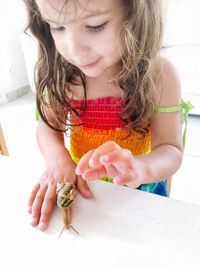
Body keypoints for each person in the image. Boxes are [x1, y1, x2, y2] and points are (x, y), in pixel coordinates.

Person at [24, 0, 183, 231]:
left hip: (140, 195)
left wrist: (140, 168)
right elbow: (47, 128)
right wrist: (57, 160)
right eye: (57, 27)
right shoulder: (62, 75)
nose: (74, 49)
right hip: (86, 192)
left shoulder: (159, 76)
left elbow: (171, 149)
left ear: (135, 14)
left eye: (95, 25)